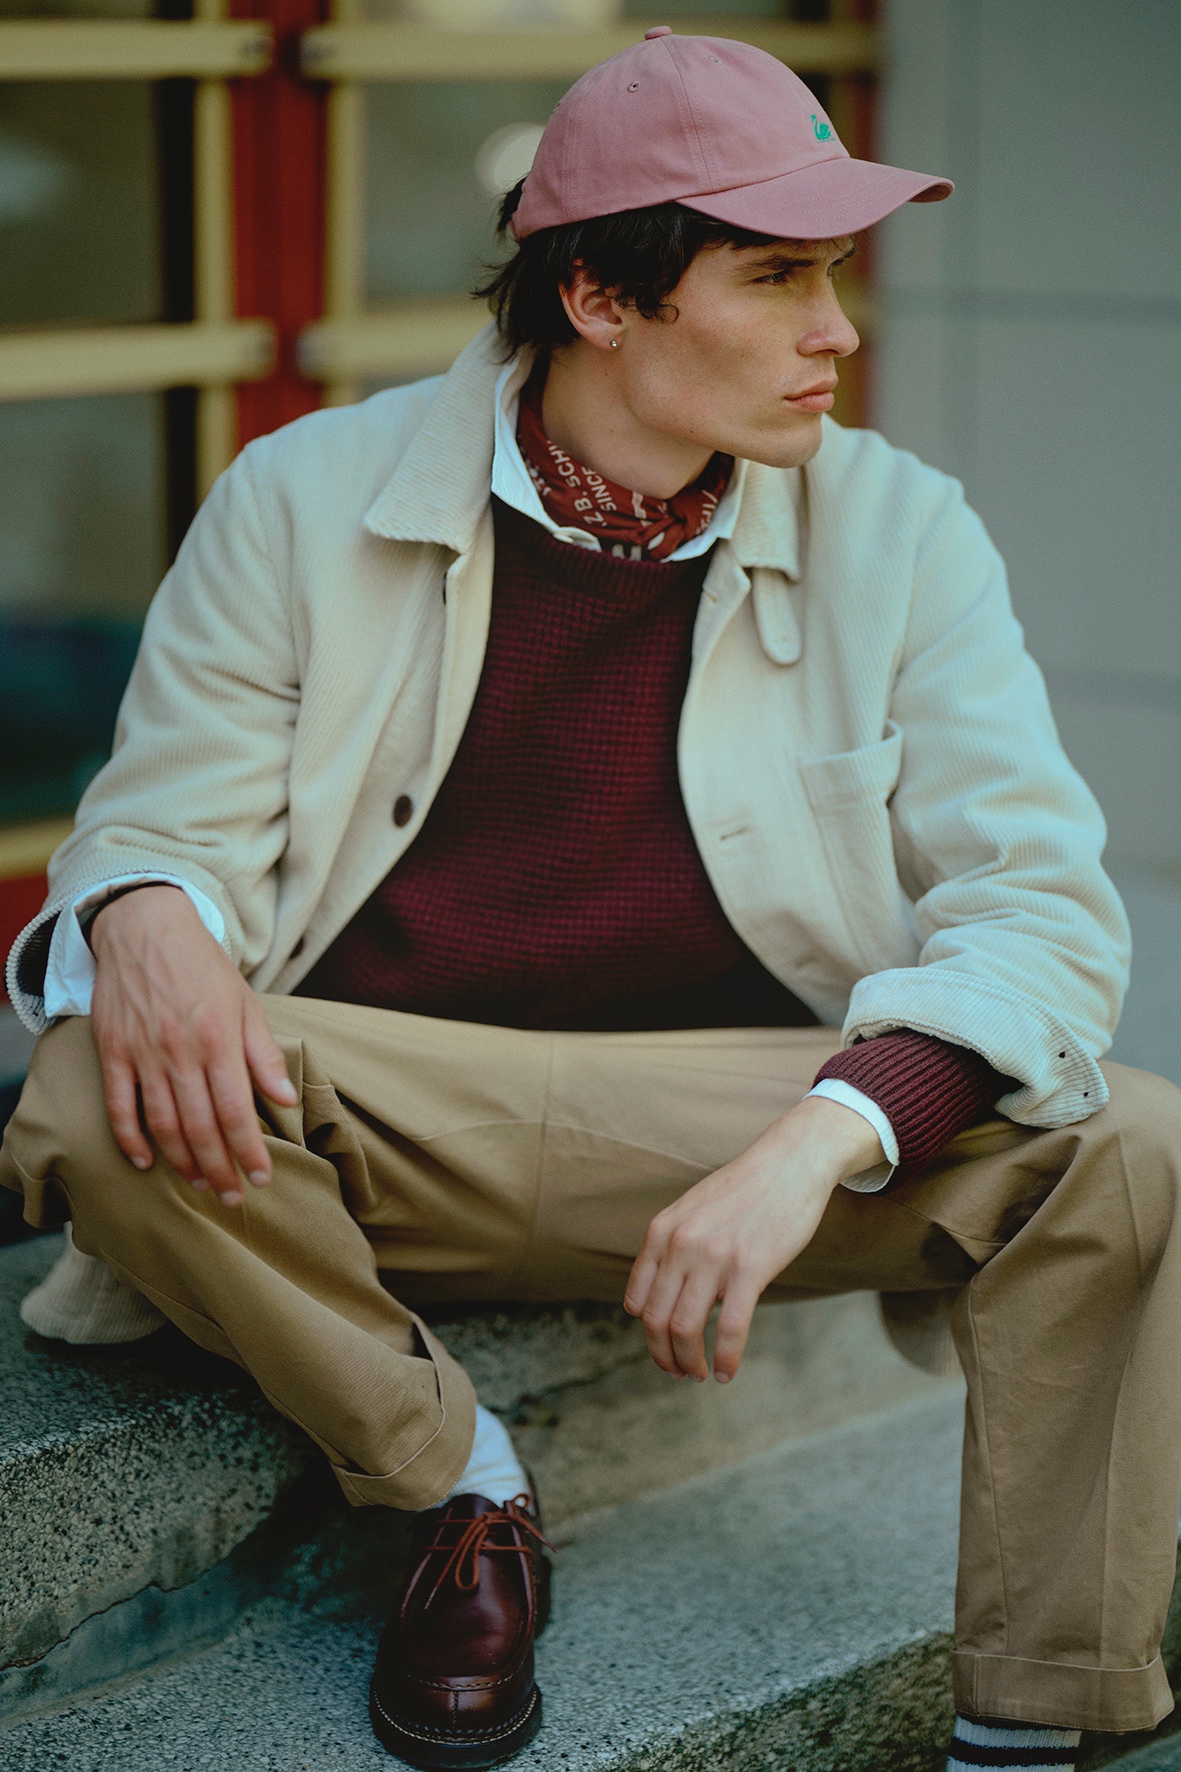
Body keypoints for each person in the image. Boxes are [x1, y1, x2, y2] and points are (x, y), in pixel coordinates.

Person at [3, 28, 1180, 1772]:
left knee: (1131, 1147)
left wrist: (811, 1149)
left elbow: (1044, 916)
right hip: (377, 1117)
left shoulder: (901, 530)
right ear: (598, 297)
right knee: (92, 1081)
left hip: (730, 1124)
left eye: (832, 275)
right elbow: (156, 823)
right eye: (774, 276)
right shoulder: (303, 497)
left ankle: (1046, 1723)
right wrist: (142, 906)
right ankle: (453, 1487)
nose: (834, 331)